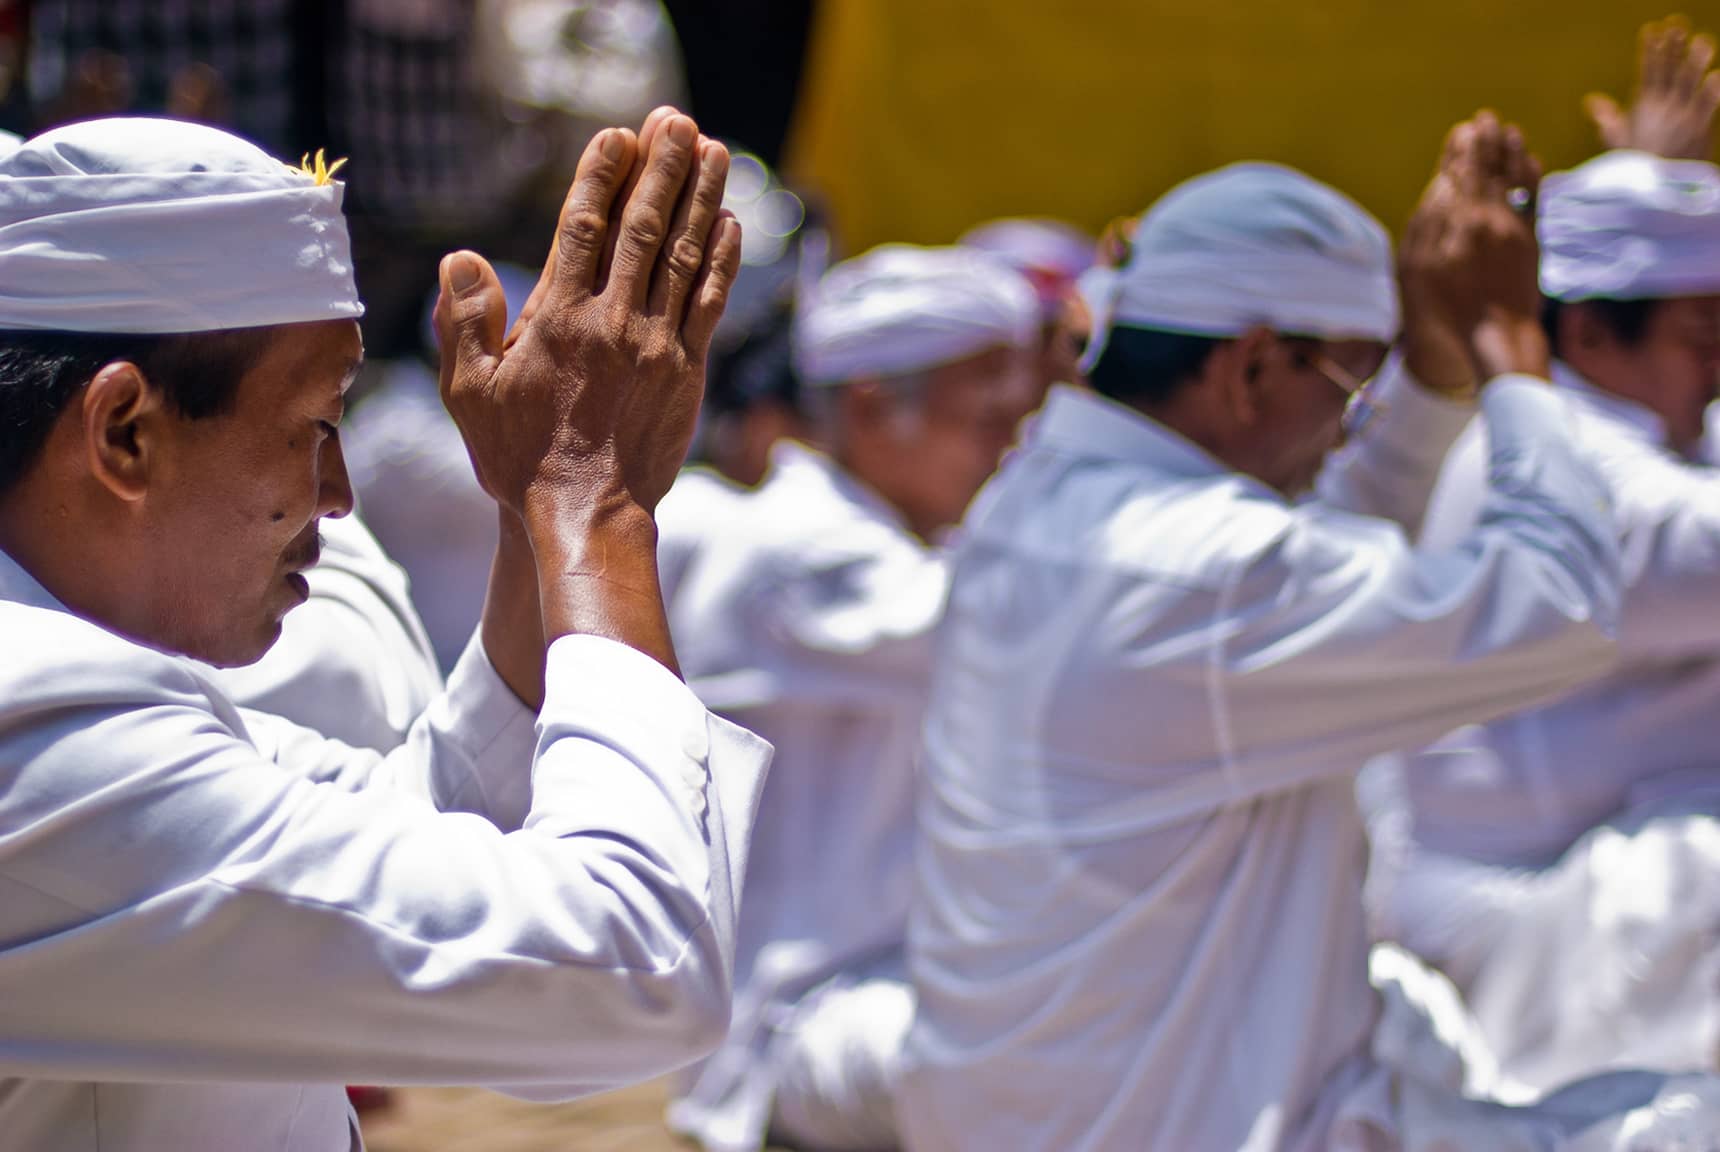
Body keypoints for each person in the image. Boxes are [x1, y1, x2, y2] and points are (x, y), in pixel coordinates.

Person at [899, 112, 1720, 1151]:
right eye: (1350, 386)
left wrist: (1427, 372)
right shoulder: (1199, 568)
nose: (1349, 427)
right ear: (1247, 370)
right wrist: (1509, 352)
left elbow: (1327, 544)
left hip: (1056, 1107)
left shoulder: (1039, 505)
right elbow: (1559, 603)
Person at [0, 108, 771, 1150]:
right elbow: (624, 970)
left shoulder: (74, 702)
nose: (338, 494)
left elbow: (437, 857)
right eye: (315, 426)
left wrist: (529, 514)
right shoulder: (34, 729)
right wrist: (593, 505)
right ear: (126, 432)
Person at [1371, 17, 1720, 1092]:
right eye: (1704, 341)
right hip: (1528, 928)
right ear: (1585, 337)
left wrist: (1645, 189)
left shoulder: (1638, 430)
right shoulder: (1553, 461)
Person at [664, 244, 1039, 1152]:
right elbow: (1046, 636)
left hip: (891, 988)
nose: (1011, 450)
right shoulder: (805, 550)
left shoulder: (872, 539)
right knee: (1053, 1056)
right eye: (992, 417)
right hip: (795, 1022)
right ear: (874, 406)